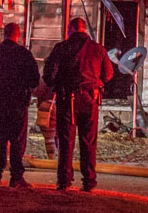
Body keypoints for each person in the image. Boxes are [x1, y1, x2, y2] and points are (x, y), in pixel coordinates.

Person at [43, 17, 114, 192]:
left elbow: (49, 74)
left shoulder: (61, 48)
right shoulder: (98, 49)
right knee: (88, 141)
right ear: (84, 30)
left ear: (70, 30)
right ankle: (89, 181)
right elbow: (109, 74)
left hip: (67, 99)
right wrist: (95, 82)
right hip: (90, 99)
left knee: (66, 140)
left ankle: (64, 181)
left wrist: (58, 85)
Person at [0, 23, 41, 188]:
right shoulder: (24, 54)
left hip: (0, 102)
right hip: (19, 102)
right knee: (17, 140)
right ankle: (16, 177)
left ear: (4, 34)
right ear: (18, 35)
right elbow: (35, 79)